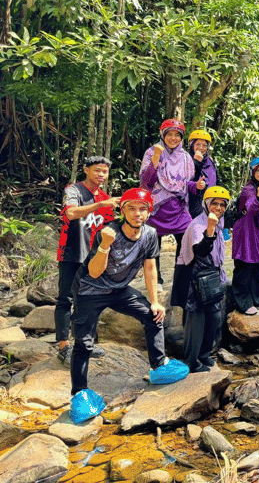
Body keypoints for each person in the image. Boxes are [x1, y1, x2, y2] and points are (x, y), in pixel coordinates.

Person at [70, 188, 187, 421]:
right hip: (89, 290)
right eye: (131, 208)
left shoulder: (150, 234)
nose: (137, 214)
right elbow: (93, 272)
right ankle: (79, 393)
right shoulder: (109, 232)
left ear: (149, 212)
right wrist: (105, 245)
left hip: (119, 289)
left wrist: (155, 301)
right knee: (83, 343)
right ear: (122, 210)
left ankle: (159, 365)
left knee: (152, 315)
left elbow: (150, 267)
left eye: (142, 209)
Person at [56, 156, 119, 363]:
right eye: (97, 170)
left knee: (90, 300)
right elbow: (71, 213)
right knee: (66, 298)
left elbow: (109, 229)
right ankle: (64, 345)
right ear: (86, 170)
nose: (101, 175)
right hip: (71, 252)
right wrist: (100, 203)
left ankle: (85, 343)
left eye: (104, 171)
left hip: (94, 258)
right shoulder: (73, 190)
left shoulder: (105, 198)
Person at [171, 186, 230, 373]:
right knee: (196, 318)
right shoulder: (199, 224)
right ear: (206, 204)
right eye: (215, 204)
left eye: (222, 205)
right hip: (193, 276)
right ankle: (191, 360)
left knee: (213, 317)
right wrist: (210, 229)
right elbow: (200, 251)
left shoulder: (218, 223)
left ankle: (204, 354)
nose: (219, 208)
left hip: (211, 275)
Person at [140, 119, 206, 287]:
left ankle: (181, 277)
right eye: (169, 134)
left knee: (186, 242)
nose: (173, 138)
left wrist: (196, 186)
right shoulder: (151, 152)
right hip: (156, 207)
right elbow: (147, 181)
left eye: (177, 135)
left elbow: (186, 184)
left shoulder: (185, 157)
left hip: (179, 207)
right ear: (163, 134)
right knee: (153, 247)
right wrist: (156, 158)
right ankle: (156, 280)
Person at [231, 157, 259, 315]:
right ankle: (242, 302)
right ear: (253, 172)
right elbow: (249, 208)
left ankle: (257, 300)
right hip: (246, 232)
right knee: (244, 265)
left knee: (257, 265)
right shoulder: (249, 189)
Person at [187, 130, 218, 219]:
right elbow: (188, 180)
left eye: (204, 145)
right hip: (194, 202)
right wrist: (196, 162)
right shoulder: (186, 159)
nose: (201, 148)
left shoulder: (210, 160)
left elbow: (217, 180)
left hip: (210, 200)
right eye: (198, 144)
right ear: (192, 145)